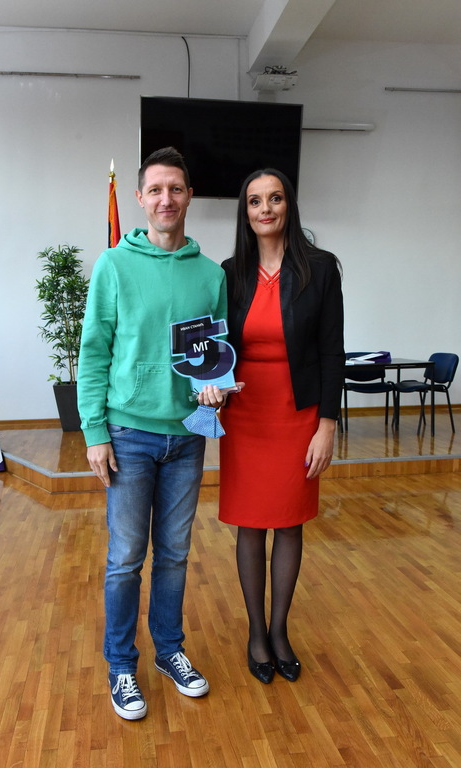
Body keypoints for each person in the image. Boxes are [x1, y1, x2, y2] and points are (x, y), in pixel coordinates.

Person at [77, 147, 226, 720]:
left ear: (189, 197)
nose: (167, 199)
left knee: (175, 554)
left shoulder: (210, 275)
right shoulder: (114, 265)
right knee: (125, 558)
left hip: (187, 437)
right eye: (156, 190)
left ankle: (169, 651)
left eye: (177, 189)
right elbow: (94, 352)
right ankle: (121, 665)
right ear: (140, 199)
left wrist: (216, 387)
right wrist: (95, 431)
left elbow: (215, 356)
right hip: (128, 435)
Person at [203, 168, 344, 684]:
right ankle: (256, 633)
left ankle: (280, 630)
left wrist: (327, 425)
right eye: (255, 201)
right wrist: (208, 383)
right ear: (245, 212)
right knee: (250, 522)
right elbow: (217, 345)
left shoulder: (320, 268)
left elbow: (332, 351)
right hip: (247, 414)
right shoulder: (229, 273)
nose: (266, 209)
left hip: (298, 412)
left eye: (275, 199)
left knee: (288, 521)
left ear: (289, 205)